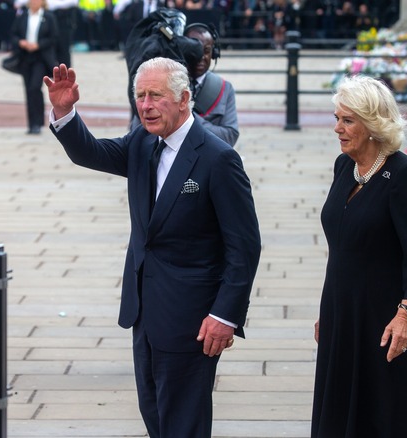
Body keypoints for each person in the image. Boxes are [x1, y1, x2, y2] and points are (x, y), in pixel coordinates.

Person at [44, 57, 261, 437]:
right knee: (156, 418)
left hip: (193, 319)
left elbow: (244, 247)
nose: (145, 105)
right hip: (144, 312)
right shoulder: (143, 143)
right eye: (140, 96)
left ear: (184, 99)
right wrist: (65, 112)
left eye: (155, 96)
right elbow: (90, 152)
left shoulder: (218, 159)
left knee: (183, 423)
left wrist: (225, 316)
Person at [311, 74, 407, 437]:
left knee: (383, 412)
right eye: (337, 118)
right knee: (339, 409)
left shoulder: (404, 175)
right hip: (341, 309)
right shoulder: (342, 167)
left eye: (347, 120)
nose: (337, 128)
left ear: (373, 124)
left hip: (384, 318)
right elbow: (342, 247)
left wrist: (405, 315)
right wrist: (327, 310)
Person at [184, 22, 239, 147]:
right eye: (195, 50)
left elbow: (230, 136)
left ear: (214, 53)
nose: (201, 57)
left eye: (207, 51)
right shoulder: (166, 84)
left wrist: (188, 119)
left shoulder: (225, 88)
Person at [9, 0, 59, 134]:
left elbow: (53, 38)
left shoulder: (48, 17)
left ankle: (38, 122)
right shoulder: (23, 16)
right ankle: (31, 124)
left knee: (35, 87)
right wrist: (21, 42)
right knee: (28, 90)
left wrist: (39, 45)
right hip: (25, 57)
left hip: (41, 58)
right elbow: (13, 35)